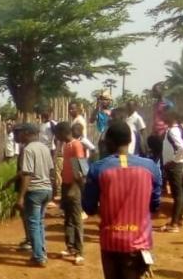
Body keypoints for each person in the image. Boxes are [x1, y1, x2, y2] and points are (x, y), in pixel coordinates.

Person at [82, 121, 161, 279]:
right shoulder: (150, 167)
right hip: (137, 244)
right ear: (131, 139)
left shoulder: (98, 169)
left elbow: (90, 207)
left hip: (110, 241)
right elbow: (155, 203)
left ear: (108, 142)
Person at [17, 124, 54, 266]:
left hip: (35, 191)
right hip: (47, 189)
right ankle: (42, 253)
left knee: (33, 224)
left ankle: (38, 257)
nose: (19, 136)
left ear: (27, 133)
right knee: (39, 223)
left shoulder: (28, 149)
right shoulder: (45, 148)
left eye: (21, 133)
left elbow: (27, 174)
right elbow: (51, 170)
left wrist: (20, 196)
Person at [57, 122, 86, 265]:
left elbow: (80, 168)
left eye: (57, 134)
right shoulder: (66, 146)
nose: (57, 137)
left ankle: (80, 251)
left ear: (63, 132)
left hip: (74, 187)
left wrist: (76, 187)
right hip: (66, 184)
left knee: (76, 219)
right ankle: (70, 247)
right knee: (68, 218)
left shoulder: (76, 145)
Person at [161, 110, 183, 233]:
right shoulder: (178, 130)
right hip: (176, 164)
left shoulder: (173, 131)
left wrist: (174, 160)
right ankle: (179, 220)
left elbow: (182, 147)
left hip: (174, 166)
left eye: (165, 115)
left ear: (171, 118)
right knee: (179, 193)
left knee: (177, 194)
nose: (163, 117)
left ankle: (174, 224)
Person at [91, 92, 113, 158]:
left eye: (106, 99)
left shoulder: (113, 111)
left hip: (109, 139)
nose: (103, 101)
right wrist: (97, 107)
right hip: (99, 138)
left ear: (110, 101)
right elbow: (91, 120)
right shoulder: (98, 112)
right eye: (102, 99)